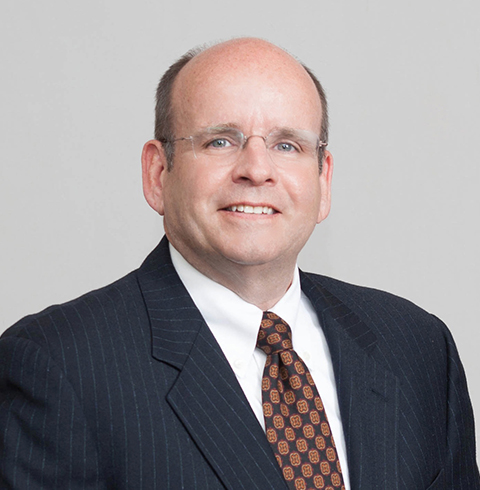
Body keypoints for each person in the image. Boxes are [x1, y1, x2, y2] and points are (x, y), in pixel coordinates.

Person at [0, 37, 478, 490]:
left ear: (323, 180)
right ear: (158, 174)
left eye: (287, 145)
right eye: (220, 141)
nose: (257, 169)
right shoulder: (57, 365)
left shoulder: (417, 348)